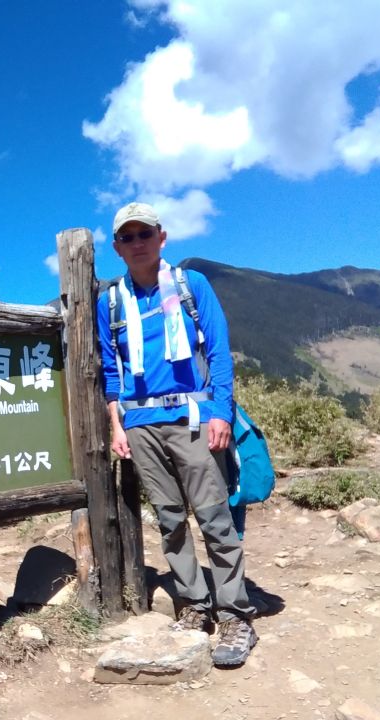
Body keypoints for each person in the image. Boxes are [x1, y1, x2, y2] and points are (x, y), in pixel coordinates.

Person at [97, 201, 257, 668]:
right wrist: (116, 424)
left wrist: (220, 413)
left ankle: (235, 615)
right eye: (127, 237)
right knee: (169, 520)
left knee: (214, 517)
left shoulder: (192, 285)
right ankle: (195, 605)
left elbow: (220, 352)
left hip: (193, 418)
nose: (137, 243)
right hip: (140, 425)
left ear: (161, 237)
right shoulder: (111, 302)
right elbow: (111, 371)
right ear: (117, 247)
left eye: (144, 234)